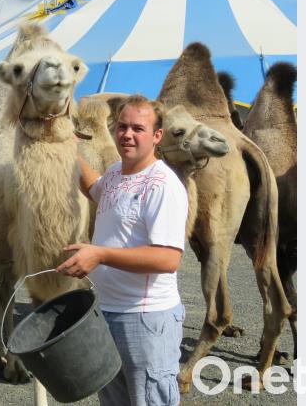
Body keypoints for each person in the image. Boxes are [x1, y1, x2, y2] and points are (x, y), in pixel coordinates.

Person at [57, 95, 188, 406]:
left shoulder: (161, 185)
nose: (127, 134)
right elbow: (94, 189)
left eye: (138, 129)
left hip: (145, 320)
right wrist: (66, 145)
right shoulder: (117, 172)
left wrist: (99, 254)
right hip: (108, 313)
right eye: (122, 126)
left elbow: (169, 259)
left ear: (157, 136)